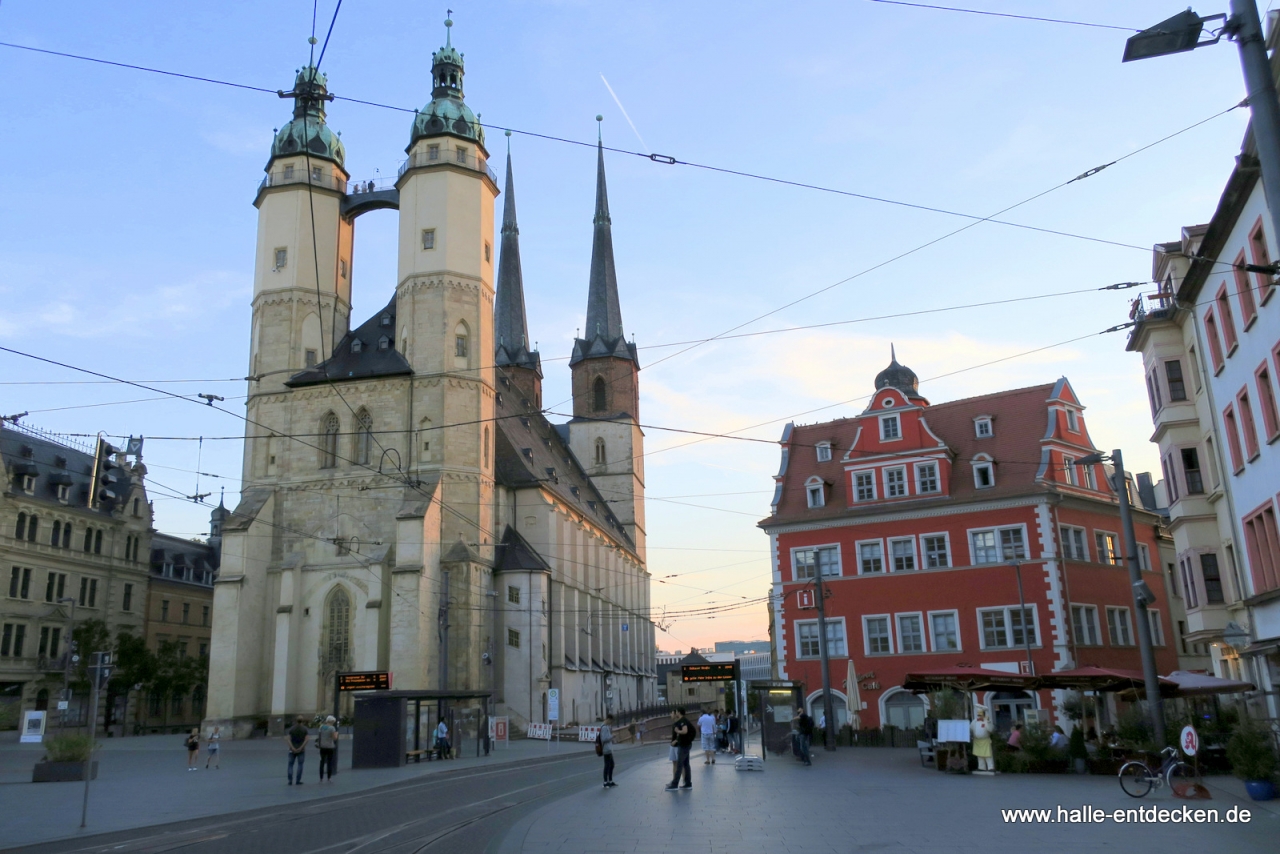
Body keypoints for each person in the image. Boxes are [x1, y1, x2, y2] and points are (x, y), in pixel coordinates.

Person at [665, 708, 694, 791]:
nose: (675, 713)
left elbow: (685, 731)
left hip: (684, 745)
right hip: (685, 744)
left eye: (676, 711)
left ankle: (675, 784)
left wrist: (678, 731)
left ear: (679, 712)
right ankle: (688, 783)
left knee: (679, 764)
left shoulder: (683, 721)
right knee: (686, 764)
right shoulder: (683, 720)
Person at [286, 715, 309, 784]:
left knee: (290, 764)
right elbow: (307, 739)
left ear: (296, 720)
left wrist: (292, 747)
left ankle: (290, 780)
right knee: (300, 764)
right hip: (301, 750)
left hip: (292, 750)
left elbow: (288, 739)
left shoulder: (291, 729)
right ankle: (298, 780)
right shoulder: (304, 729)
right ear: (302, 721)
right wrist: (301, 747)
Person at [317, 715, 338, 781]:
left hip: (322, 746)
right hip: (330, 746)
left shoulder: (321, 727)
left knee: (322, 762)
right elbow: (334, 738)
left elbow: (319, 736)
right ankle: (329, 777)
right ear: (331, 721)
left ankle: (321, 777)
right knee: (329, 762)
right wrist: (336, 734)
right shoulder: (332, 728)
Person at [600, 714, 616, 788]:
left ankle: (610, 780)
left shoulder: (607, 727)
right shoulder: (603, 727)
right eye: (611, 721)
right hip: (606, 749)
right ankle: (605, 782)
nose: (611, 723)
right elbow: (603, 739)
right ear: (608, 719)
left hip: (609, 749)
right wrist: (612, 737)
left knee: (611, 765)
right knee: (607, 765)